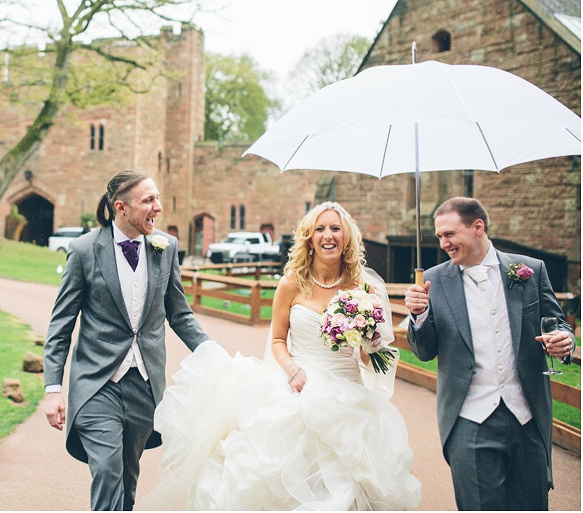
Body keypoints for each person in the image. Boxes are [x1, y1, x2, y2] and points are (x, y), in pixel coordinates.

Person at [140, 202, 422, 510]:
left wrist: (371, 341)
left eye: (335, 228)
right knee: (278, 474)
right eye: (320, 229)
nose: (328, 235)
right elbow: (276, 339)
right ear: (309, 239)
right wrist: (291, 370)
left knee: (351, 482)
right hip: (298, 386)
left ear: (347, 238)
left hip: (349, 395)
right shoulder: (291, 284)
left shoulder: (364, 288)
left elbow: (369, 359)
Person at [42, 169, 210, 511]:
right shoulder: (85, 250)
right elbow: (61, 325)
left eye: (158, 198)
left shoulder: (166, 247)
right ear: (121, 207)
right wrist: (53, 389)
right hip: (96, 383)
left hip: (144, 385)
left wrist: (214, 354)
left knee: (128, 474)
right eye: (149, 200)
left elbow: (180, 315)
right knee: (107, 467)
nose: (158, 207)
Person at [405, 196, 574, 510]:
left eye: (449, 234)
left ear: (478, 227)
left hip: (528, 416)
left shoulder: (530, 271)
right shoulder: (432, 281)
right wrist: (418, 315)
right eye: (439, 236)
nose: (443, 243)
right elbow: (424, 351)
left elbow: (559, 323)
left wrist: (565, 340)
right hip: (469, 418)